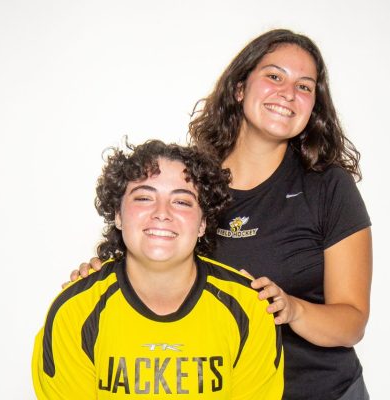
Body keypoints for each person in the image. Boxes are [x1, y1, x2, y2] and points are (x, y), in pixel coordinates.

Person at [70, 29, 372, 400]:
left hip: (321, 391)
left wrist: (292, 309)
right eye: (274, 76)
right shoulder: (190, 183)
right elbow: (150, 257)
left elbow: (352, 322)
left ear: (314, 107)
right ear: (240, 88)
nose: (289, 93)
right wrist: (101, 277)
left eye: (305, 86)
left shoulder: (328, 187)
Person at [32, 140, 284, 399]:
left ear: (202, 223)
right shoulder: (74, 312)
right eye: (144, 197)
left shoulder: (250, 308)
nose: (162, 213)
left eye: (182, 202)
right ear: (118, 214)